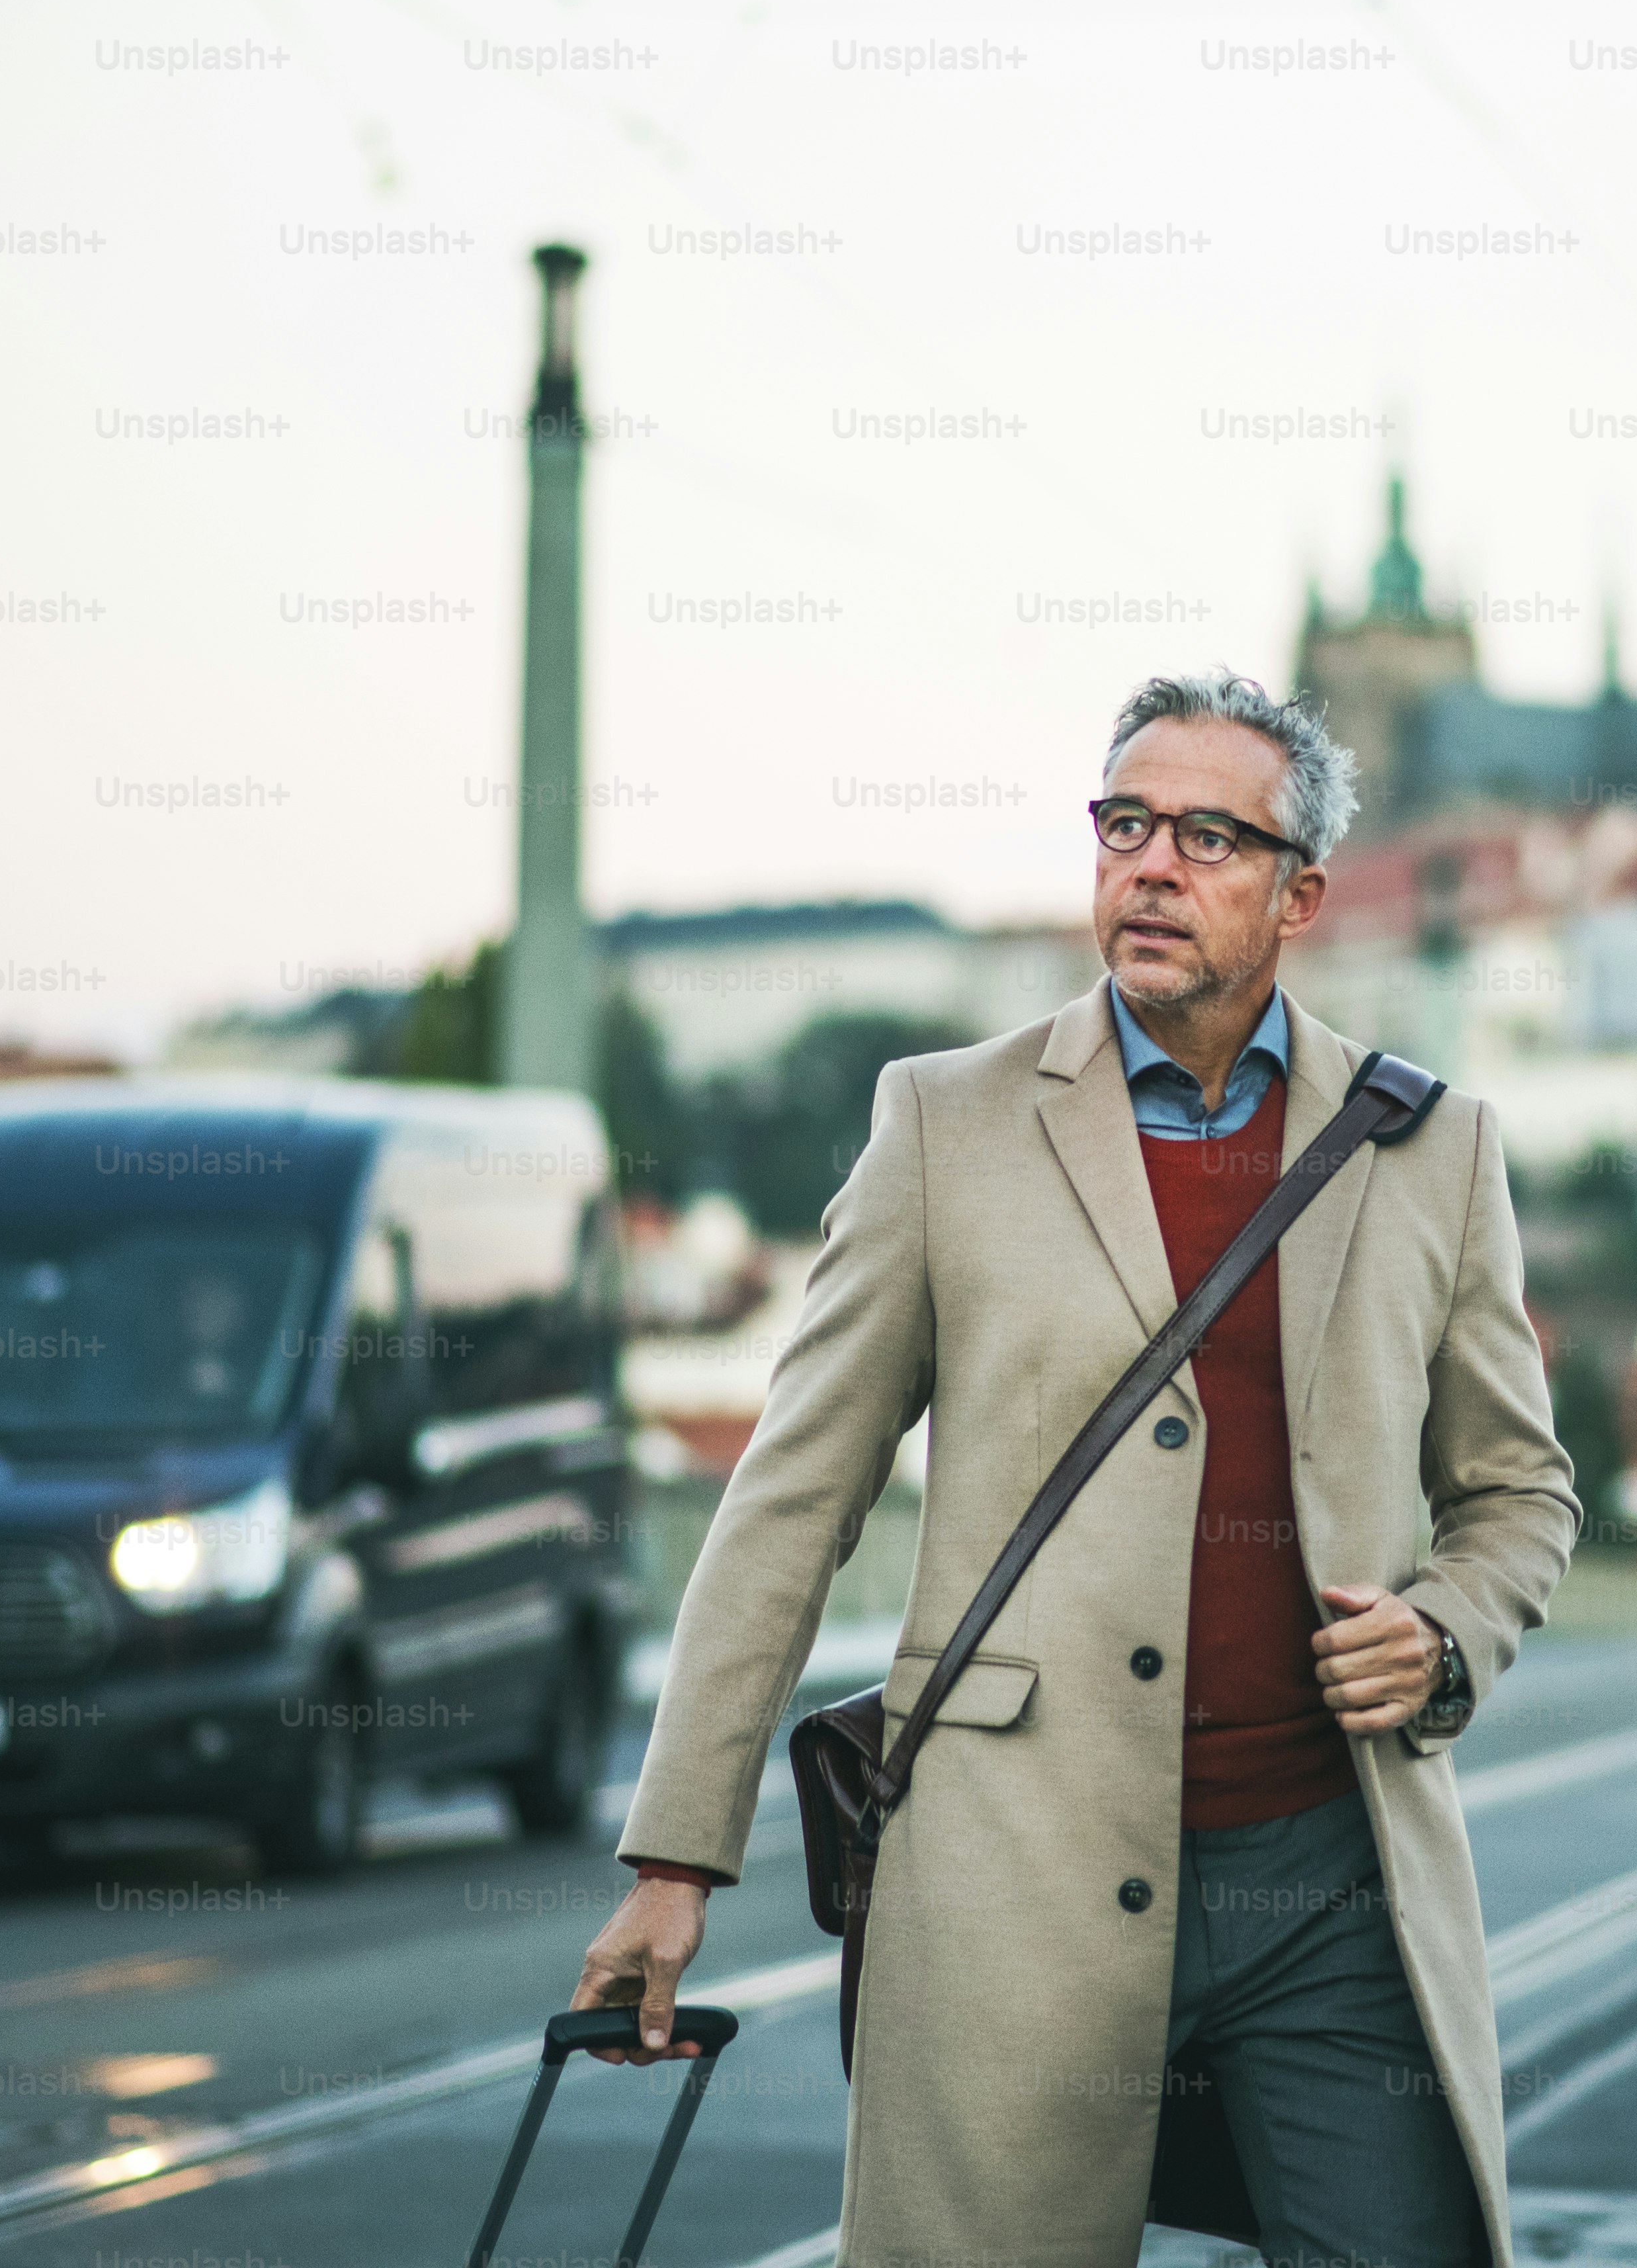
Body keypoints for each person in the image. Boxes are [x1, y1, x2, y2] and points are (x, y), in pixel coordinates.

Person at [571, 670, 1579, 2268]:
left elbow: (1520, 1492)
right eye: (1125, 823)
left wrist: (1448, 1628)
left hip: (1330, 1883)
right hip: (1010, 1875)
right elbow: (792, 1499)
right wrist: (677, 1855)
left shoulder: (1429, 1146)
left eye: (1208, 835)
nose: (1152, 864)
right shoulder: (943, 1123)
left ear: (1301, 895)